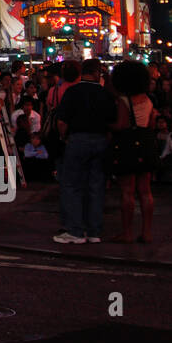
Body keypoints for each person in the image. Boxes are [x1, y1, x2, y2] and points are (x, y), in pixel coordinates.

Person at [53, 59, 117, 244]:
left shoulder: (73, 92)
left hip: (78, 138)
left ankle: (75, 230)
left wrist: (65, 137)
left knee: (72, 185)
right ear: (97, 74)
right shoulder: (105, 94)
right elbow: (112, 120)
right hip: (100, 139)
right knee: (96, 186)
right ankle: (94, 230)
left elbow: (62, 121)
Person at [108, 60, 158, 244]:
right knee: (145, 191)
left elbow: (121, 124)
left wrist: (107, 125)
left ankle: (127, 232)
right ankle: (147, 232)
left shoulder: (123, 100)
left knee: (127, 191)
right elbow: (152, 123)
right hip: (146, 143)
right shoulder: (148, 99)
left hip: (127, 144)